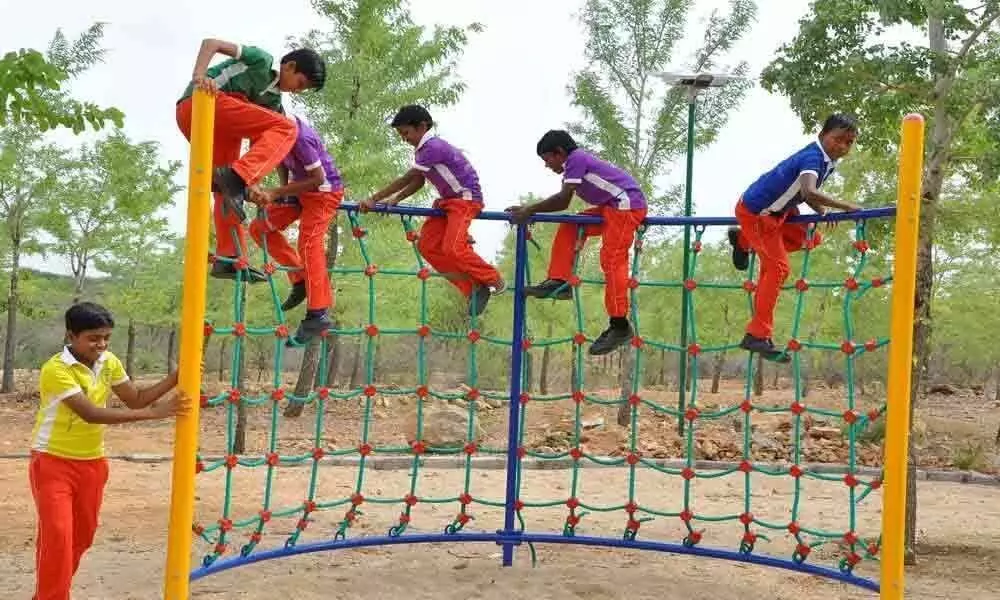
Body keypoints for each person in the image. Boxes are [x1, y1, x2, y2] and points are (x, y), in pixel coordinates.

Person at [29, 302, 189, 600]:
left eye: (105, 337)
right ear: (71, 336)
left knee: (81, 538)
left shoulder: (108, 361)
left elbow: (136, 399)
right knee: (58, 538)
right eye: (93, 338)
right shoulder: (56, 369)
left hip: (92, 464)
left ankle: (51, 593)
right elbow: (91, 413)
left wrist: (175, 377)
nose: (100, 344)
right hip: (52, 462)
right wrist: (157, 414)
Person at [175, 38, 326, 283]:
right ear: (289, 66)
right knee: (287, 128)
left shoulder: (273, 104)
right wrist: (199, 77)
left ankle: (230, 259)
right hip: (202, 103)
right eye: (300, 83)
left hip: (220, 130)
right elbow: (210, 43)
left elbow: (265, 151)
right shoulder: (260, 61)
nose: (298, 90)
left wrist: (255, 184)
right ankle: (237, 179)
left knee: (225, 190)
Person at [727, 113, 862, 361]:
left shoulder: (826, 161)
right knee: (777, 268)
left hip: (783, 212)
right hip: (758, 213)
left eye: (849, 142)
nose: (842, 146)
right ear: (823, 135)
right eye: (838, 139)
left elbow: (805, 194)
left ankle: (744, 241)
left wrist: (823, 210)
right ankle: (756, 335)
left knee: (811, 238)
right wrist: (846, 206)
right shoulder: (813, 156)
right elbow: (809, 190)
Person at [506, 130, 647, 356]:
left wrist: (528, 210)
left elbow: (562, 201)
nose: (546, 165)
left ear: (559, 152)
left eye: (547, 159)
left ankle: (620, 325)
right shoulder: (574, 165)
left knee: (612, 259)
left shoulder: (576, 160)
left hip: (626, 206)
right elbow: (563, 202)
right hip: (611, 207)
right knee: (571, 225)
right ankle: (559, 281)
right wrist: (528, 210)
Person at [360, 104, 504, 317]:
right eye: (401, 134)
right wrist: (397, 198)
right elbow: (419, 181)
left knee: (453, 248)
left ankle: (493, 279)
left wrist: (374, 199)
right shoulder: (422, 152)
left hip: (465, 199)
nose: (404, 139)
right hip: (448, 202)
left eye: (406, 133)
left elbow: (408, 177)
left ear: (422, 126)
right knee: (427, 246)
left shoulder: (433, 147)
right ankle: (473, 287)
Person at [248, 115, 343, 342]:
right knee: (259, 228)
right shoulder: (271, 131)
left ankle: (318, 313)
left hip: (323, 193)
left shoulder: (302, 138)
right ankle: (299, 279)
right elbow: (280, 160)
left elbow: (318, 179)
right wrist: (283, 191)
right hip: (299, 191)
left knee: (309, 244)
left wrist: (276, 193)